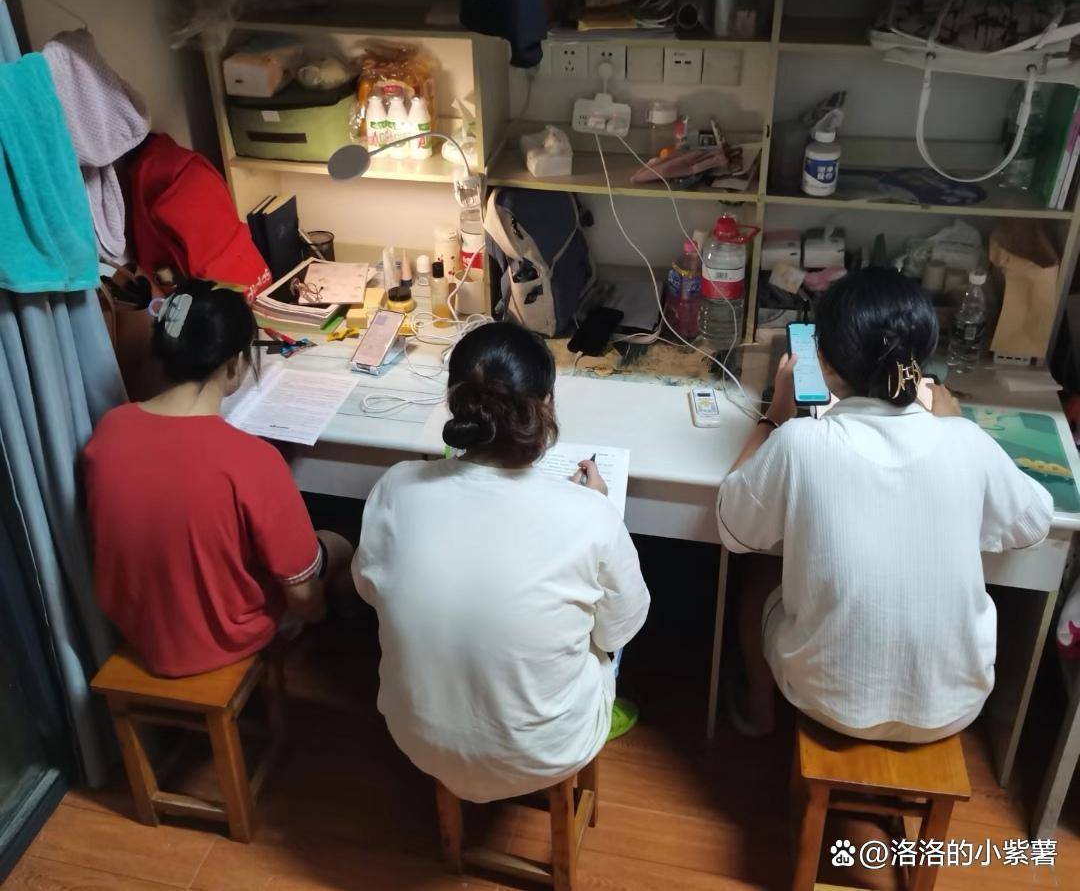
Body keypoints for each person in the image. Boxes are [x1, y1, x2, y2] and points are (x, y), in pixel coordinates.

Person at [718, 267, 1053, 742]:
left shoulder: (800, 442)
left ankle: (759, 711)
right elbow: (1034, 526)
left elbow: (733, 528)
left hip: (827, 701)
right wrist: (954, 427)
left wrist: (774, 415)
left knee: (757, 579)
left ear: (823, 363)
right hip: (954, 708)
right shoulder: (965, 441)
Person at [352, 321, 650, 803]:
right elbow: (619, 632)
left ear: (455, 401)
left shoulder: (396, 486)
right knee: (602, 632)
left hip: (420, 740)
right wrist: (594, 507)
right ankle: (588, 716)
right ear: (545, 406)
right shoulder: (590, 515)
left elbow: (368, 589)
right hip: (547, 753)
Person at [84, 279, 352, 678]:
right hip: (224, 640)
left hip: (140, 633)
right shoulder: (252, 459)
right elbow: (302, 596)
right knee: (338, 540)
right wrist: (314, 612)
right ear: (234, 363)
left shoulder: (109, 430)